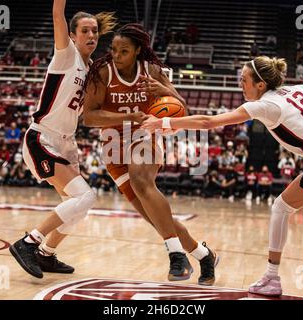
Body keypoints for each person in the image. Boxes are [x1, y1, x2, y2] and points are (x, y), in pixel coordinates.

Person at [142, 55, 303, 296]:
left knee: (281, 208)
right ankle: (270, 277)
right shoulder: (295, 90)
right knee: (282, 206)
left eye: (244, 80)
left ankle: (272, 277)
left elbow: (208, 122)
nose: (241, 84)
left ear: (260, 85)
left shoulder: (266, 104)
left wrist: (162, 123)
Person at [83, 23, 219, 285]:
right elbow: (88, 117)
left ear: (137, 51)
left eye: (123, 50)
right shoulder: (102, 72)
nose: (116, 55)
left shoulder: (153, 71)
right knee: (156, 218)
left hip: (147, 134)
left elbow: (183, 109)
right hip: (113, 143)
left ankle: (176, 255)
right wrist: (127, 116)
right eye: (113, 49)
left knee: (141, 179)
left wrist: (166, 92)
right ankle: (204, 256)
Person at [9, 0, 117, 279]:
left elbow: (92, 113)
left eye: (94, 31)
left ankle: (46, 254)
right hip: (42, 137)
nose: (91, 36)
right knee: (86, 196)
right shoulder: (66, 54)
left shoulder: (92, 69)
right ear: (72, 35)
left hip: (67, 143)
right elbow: (58, 11)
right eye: (85, 31)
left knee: (78, 209)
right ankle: (28, 243)